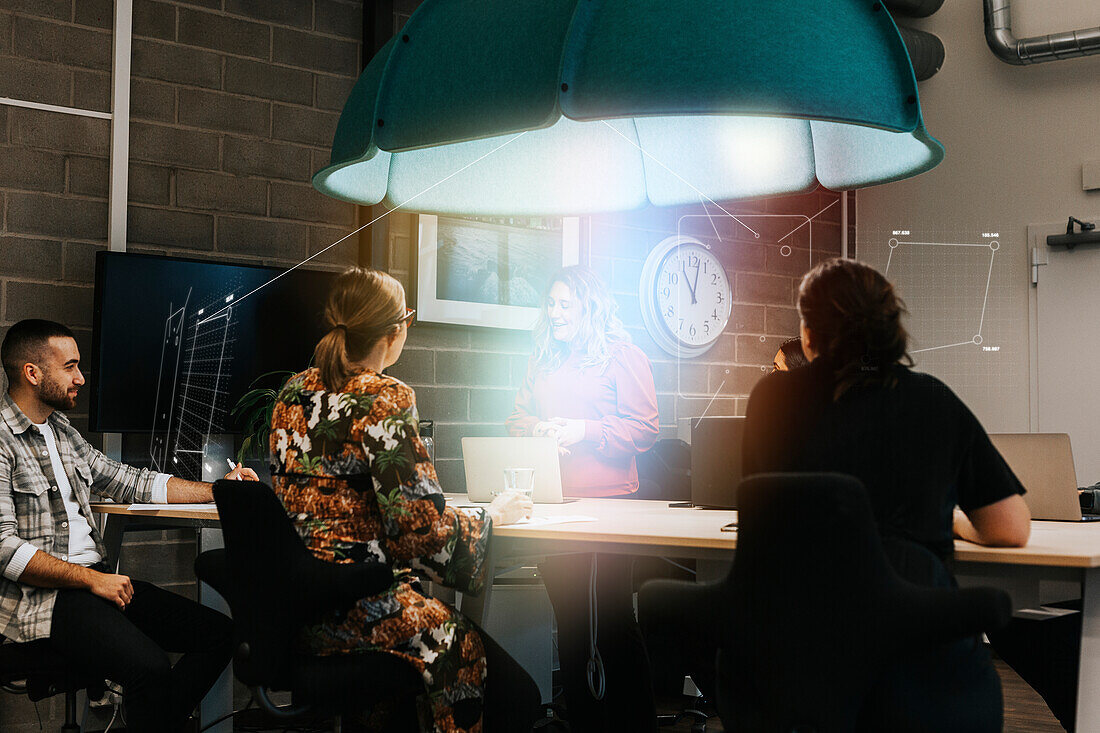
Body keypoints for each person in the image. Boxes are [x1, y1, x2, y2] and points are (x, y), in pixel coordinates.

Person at [741, 258, 1030, 732]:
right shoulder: (933, 400)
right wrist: (953, 520)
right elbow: (1011, 529)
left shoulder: (771, 400)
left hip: (798, 657)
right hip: (918, 664)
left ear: (809, 334)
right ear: (891, 328)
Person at [268, 267, 540, 733]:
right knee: (506, 685)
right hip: (361, 609)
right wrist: (488, 518)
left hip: (296, 613)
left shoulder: (294, 392)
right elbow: (421, 532)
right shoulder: (385, 397)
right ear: (396, 332)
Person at [0, 318, 256, 732]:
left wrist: (218, 490)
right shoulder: (0, 440)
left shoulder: (62, 431)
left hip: (95, 582)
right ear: (32, 373)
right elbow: (3, 548)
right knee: (149, 667)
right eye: (70, 366)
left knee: (218, 634)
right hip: (47, 597)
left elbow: (130, 480)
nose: (80, 378)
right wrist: (88, 580)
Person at [506, 266, 660, 732]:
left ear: (590, 309)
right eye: (550, 304)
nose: (554, 313)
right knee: (570, 621)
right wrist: (541, 430)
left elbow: (646, 428)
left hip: (609, 507)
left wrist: (585, 430)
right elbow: (518, 418)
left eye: (565, 305)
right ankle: (587, 724)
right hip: (555, 503)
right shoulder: (543, 357)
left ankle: (636, 725)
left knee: (611, 620)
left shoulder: (623, 356)